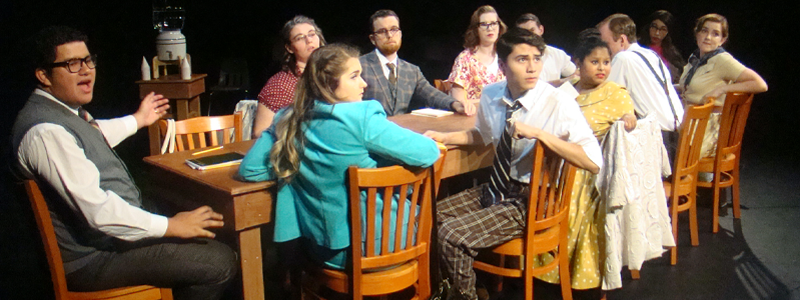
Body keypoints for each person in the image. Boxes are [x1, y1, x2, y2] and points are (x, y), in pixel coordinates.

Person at [10, 26, 237, 300]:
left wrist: (138, 120)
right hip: (93, 260)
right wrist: (170, 226)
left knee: (214, 234)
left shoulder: (65, 115)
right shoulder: (46, 131)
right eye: (72, 64)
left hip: (110, 244)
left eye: (88, 60)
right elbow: (99, 212)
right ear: (43, 75)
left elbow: (95, 134)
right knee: (218, 262)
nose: (86, 70)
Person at [425, 28, 602, 300]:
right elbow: (483, 134)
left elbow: (592, 161)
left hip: (533, 199)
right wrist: (445, 136)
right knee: (428, 217)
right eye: (522, 59)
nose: (532, 67)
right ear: (503, 64)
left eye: (536, 58)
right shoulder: (492, 94)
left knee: (451, 234)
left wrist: (541, 135)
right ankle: (453, 289)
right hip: (498, 187)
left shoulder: (558, 102)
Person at [239, 44, 440, 270]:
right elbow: (429, 152)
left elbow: (250, 169)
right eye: (354, 77)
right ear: (328, 83)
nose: (364, 83)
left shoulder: (289, 118)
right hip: (384, 246)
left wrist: (292, 160)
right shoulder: (360, 117)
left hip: (323, 250)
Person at [533, 29, 635, 291]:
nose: (602, 68)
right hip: (557, 161)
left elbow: (628, 115)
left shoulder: (614, 92)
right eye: (594, 62)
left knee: (573, 189)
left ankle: (579, 272)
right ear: (577, 64)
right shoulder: (565, 93)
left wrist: (628, 119)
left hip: (590, 170)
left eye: (606, 62)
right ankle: (544, 264)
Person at [678, 13, 767, 157]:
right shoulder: (695, 58)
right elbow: (690, 88)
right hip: (688, 120)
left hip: (706, 128)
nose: (708, 37)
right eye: (704, 31)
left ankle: (688, 177)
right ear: (697, 33)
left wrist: (723, 89)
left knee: (664, 142)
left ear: (722, 40)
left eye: (715, 34)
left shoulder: (722, 60)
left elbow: (760, 84)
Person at [598, 13, 684, 159]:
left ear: (621, 40)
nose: (603, 50)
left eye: (606, 44)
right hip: (681, 140)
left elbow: (604, 100)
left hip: (662, 146)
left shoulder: (623, 58)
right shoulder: (652, 55)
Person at [360, 9, 474, 116]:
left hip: (401, 132)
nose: (389, 35)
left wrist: (455, 104)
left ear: (400, 34)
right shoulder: (359, 66)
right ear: (372, 39)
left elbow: (431, 94)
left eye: (394, 29)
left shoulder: (411, 71)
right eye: (382, 31)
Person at [253, 15, 326, 138]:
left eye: (312, 34)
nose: (309, 40)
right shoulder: (280, 84)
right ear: (289, 48)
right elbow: (259, 132)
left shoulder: (331, 73)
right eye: (299, 38)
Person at [447, 5, 507, 104]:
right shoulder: (465, 59)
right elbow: (458, 99)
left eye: (493, 23)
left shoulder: (505, 57)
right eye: (484, 24)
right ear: (476, 29)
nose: (490, 28)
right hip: (475, 116)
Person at [516, 13, 577, 85]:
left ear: (541, 30)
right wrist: (561, 81)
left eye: (532, 30)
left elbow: (575, 75)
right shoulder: (514, 59)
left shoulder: (557, 54)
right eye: (524, 33)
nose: (529, 36)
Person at [638, 10, 685, 83]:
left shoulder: (672, 54)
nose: (657, 33)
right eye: (654, 27)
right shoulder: (637, 48)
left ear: (668, 32)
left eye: (663, 29)